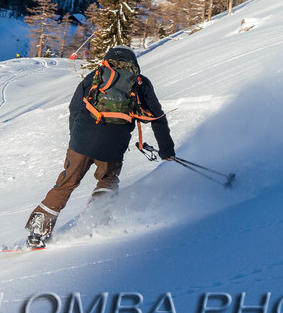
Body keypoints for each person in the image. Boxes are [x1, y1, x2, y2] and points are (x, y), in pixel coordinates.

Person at [24, 46, 175, 247]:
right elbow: (158, 117)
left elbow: (74, 108)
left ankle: (38, 230)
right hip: (114, 142)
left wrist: (75, 137)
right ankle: (99, 216)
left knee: (66, 182)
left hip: (82, 138)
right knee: (108, 178)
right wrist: (166, 149)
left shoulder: (95, 76)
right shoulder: (140, 82)